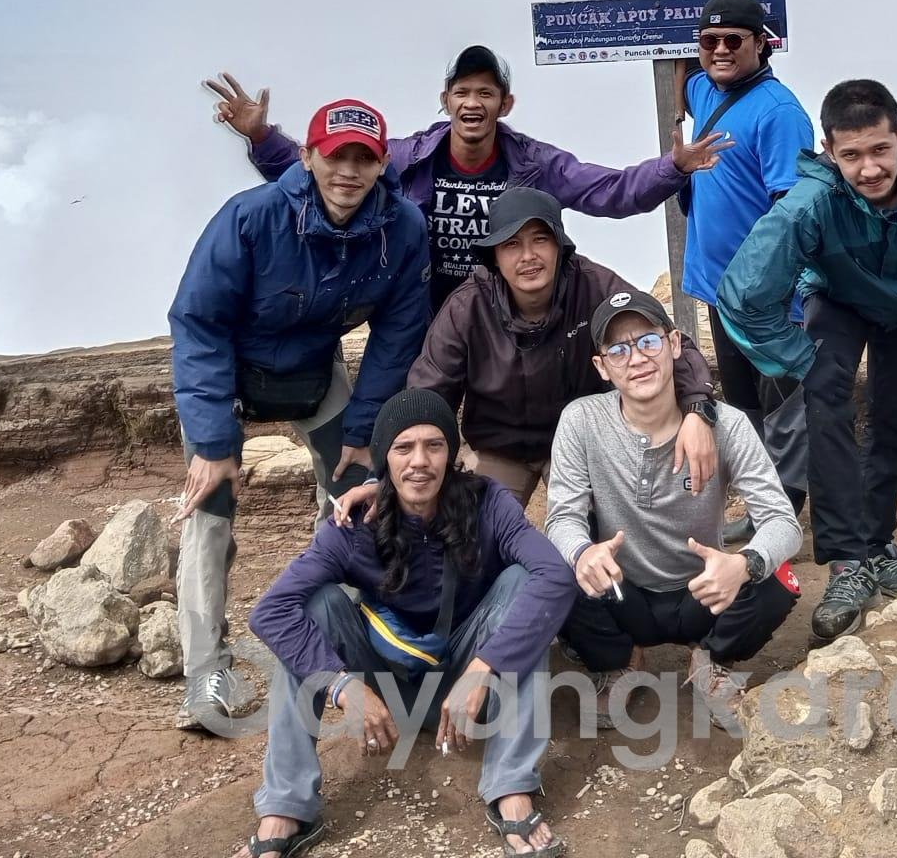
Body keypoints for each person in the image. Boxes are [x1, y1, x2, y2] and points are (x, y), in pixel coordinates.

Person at [169, 99, 432, 732]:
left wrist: (366, 432)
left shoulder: (402, 229)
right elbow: (198, 323)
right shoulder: (251, 218)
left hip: (316, 375)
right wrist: (213, 441)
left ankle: (334, 631)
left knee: (354, 495)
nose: (348, 170)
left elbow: (397, 336)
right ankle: (207, 669)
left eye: (363, 158)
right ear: (308, 157)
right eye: (335, 155)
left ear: (381, 164)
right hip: (230, 375)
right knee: (211, 510)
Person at [715, 80, 897, 641]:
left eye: (879, 150)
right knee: (828, 414)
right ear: (829, 152)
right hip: (838, 301)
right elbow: (743, 294)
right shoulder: (809, 205)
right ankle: (848, 564)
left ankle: (879, 546)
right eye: (851, 156)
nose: (869, 169)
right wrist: (798, 357)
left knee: (893, 425)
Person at [241, 389, 576, 858]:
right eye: (404, 448)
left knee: (523, 584)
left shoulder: (489, 504)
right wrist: (342, 686)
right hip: (384, 689)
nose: (420, 461)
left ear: (451, 454)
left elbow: (556, 576)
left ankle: (511, 787)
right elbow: (270, 612)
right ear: (384, 459)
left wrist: (484, 668)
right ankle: (285, 805)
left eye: (434, 445)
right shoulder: (351, 526)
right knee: (317, 604)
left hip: (468, 687)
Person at [204, 45, 729, 314]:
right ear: (445, 100)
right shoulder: (408, 156)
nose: (472, 103)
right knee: (413, 418)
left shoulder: (534, 164)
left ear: (506, 104)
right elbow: (330, 175)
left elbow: (608, 191)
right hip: (423, 307)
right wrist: (262, 137)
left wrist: (673, 167)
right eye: (462, 92)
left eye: (485, 93)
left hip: (503, 308)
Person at [338, 188, 718, 512]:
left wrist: (698, 410)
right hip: (497, 449)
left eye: (540, 239)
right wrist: (385, 478)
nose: (528, 256)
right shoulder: (467, 306)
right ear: (494, 256)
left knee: (604, 528)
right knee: (470, 537)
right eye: (512, 244)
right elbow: (425, 395)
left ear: (560, 246)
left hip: (579, 445)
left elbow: (668, 344)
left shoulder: (595, 287)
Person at [544, 289, 802, 727]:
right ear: (601, 367)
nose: (637, 358)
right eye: (618, 350)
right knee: (554, 564)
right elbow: (562, 516)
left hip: (705, 591)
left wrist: (743, 565)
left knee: (777, 572)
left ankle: (712, 661)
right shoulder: (581, 420)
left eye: (648, 341)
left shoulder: (728, 424)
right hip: (622, 589)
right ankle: (620, 659)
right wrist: (584, 552)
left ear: (675, 345)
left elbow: (783, 521)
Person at [668, 0, 815, 539]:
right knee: (745, 409)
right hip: (717, 287)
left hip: (766, 298)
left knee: (782, 412)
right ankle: (760, 507)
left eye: (735, 40)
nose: (721, 50)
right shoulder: (706, 87)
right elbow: (686, 81)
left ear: (763, 44)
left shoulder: (780, 114)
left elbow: (793, 206)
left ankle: (782, 517)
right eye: (710, 41)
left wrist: (774, 288)